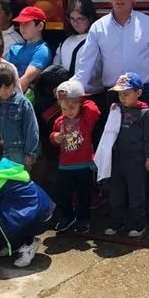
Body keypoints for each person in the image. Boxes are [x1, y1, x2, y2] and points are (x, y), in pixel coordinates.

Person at [74, 0, 149, 222]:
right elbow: (87, 62)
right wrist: (76, 87)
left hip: (146, 92)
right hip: (113, 95)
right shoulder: (98, 28)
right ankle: (113, 199)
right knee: (112, 147)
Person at [0, 131, 56, 268]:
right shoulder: (4, 165)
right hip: (45, 211)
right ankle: (11, 244)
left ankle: (27, 244)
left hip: (38, 219)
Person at [103, 73, 149, 238]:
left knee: (136, 194)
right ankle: (115, 222)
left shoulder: (145, 113)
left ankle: (138, 225)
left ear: (138, 93)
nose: (122, 97)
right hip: (117, 158)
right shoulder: (116, 109)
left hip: (136, 160)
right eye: (120, 94)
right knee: (116, 193)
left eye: (126, 93)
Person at [50, 79, 101, 234]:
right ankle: (67, 216)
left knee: (83, 195)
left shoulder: (86, 118)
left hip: (84, 164)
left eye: (72, 107)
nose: (68, 111)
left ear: (80, 102)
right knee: (62, 192)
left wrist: (82, 97)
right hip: (64, 165)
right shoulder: (60, 121)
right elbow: (52, 136)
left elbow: (94, 110)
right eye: (64, 108)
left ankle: (83, 219)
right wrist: (55, 137)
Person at [0, 63, 39, 166]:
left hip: (17, 152)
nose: (3, 91)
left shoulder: (23, 103)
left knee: (17, 181)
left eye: (7, 86)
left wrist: (30, 152)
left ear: (14, 83)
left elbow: (31, 128)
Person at [6, 6, 53, 93]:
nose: (22, 27)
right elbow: (3, 73)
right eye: (20, 24)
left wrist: (7, 96)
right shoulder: (14, 48)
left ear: (40, 26)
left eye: (26, 23)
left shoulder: (42, 50)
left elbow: (27, 78)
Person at [55, 0, 98, 79]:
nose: (75, 23)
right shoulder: (65, 41)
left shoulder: (97, 40)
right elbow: (56, 66)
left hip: (90, 90)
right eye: (72, 19)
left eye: (80, 19)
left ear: (90, 18)